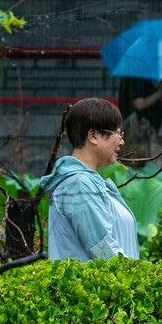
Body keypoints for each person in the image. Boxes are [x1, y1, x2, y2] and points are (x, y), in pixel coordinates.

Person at [40, 98, 139, 261]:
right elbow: (104, 251)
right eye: (118, 133)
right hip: (99, 285)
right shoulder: (77, 185)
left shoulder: (87, 182)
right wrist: (141, 278)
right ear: (93, 136)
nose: (121, 141)